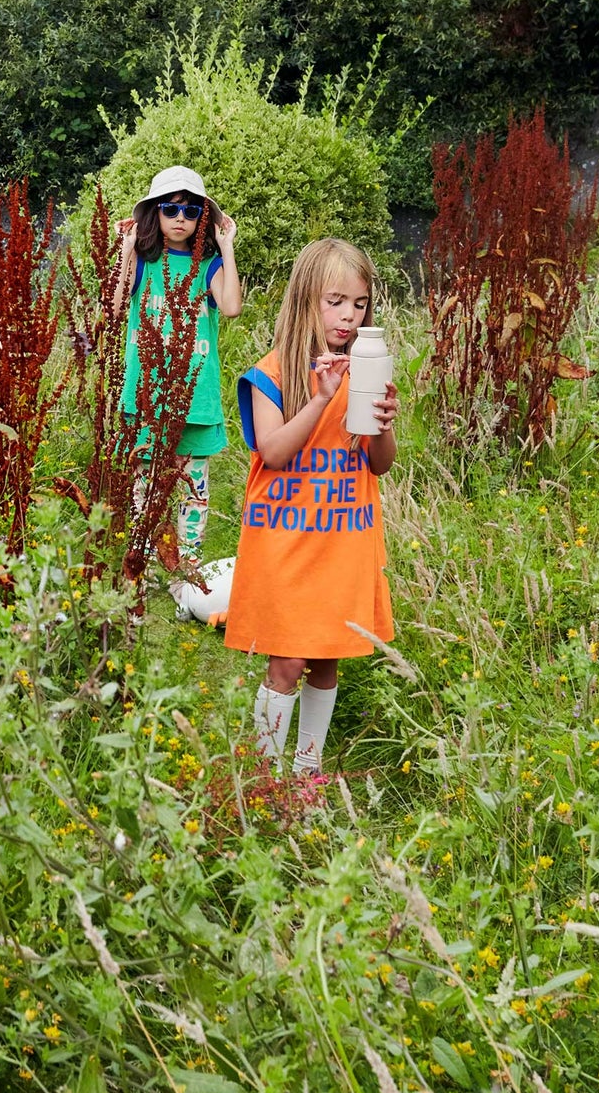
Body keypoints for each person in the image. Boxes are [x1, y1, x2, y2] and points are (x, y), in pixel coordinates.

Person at [224, 238, 398, 777]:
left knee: (326, 657)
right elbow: (272, 452)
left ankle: (305, 771)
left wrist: (386, 424)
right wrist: (322, 396)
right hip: (286, 539)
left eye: (360, 303)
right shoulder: (272, 372)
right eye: (336, 300)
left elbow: (380, 463)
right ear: (305, 300)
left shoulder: (364, 373)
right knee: (288, 659)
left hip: (342, 538)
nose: (349, 315)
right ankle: (262, 773)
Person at [114, 165, 242, 566]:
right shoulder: (144, 264)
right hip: (146, 397)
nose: (180, 219)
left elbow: (232, 308)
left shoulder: (208, 268)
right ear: (156, 214)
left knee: (193, 490)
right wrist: (127, 250)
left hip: (195, 400)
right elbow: (116, 308)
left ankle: (186, 570)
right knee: (145, 488)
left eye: (190, 212)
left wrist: (226, 247)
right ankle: (146, 565)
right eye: (170, 209)